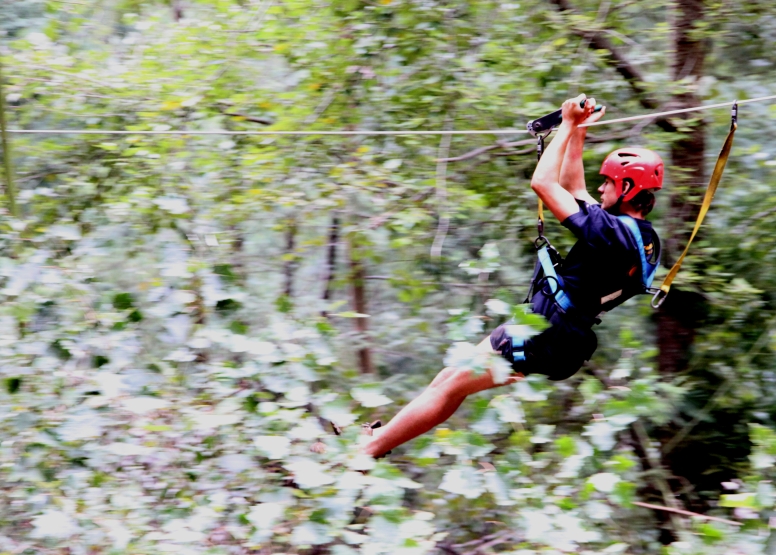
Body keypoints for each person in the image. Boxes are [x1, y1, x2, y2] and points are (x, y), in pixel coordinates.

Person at [361, 94, 663, 458]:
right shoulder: (639, 237)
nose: (601, 189)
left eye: (609, 183)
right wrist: (578, 131)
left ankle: (366, 452)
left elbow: (545, 185)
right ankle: (375, 443)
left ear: (628, 189)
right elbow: (575, 187)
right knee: (448, 381)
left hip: (545, 329)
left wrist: (565, 125)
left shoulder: (610, 232)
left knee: (450, 386)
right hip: (559, 333)